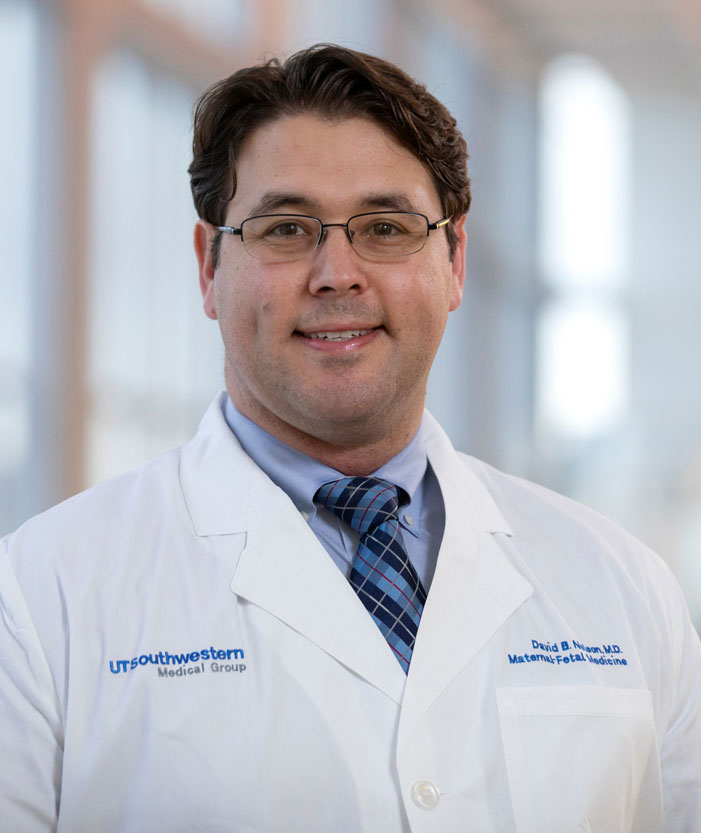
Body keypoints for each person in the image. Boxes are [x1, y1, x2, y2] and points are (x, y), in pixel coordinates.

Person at [1, 43, 699, 833]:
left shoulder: (624, 591)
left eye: (385, 226)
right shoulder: (39, 597)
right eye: (287, 227)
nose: (337, 272)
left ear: (455, 260)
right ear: (208, 267)